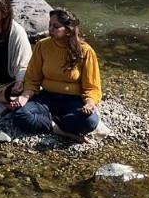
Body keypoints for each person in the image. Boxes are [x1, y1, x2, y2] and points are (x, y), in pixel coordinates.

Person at [8, 8, 102, 142]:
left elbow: (92, 87)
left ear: (68, 30)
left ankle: (49, 122)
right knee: (19, 114)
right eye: (50, 25)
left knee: (90, 122)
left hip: (73, 101)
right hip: (47, 98)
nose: (50, 29)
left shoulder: (85, 51)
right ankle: (59, 130)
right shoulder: (42, 46)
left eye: (56, 26)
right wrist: (24, 96)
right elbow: (32, 79)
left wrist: (90, 103)